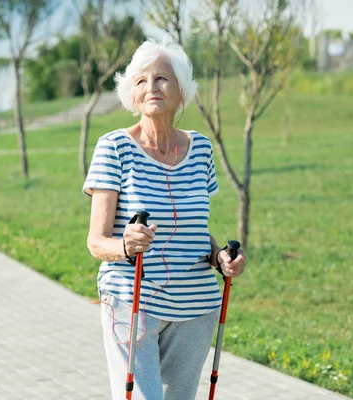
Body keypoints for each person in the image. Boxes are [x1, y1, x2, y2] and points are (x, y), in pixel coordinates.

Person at [82, 37, 247, 400]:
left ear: (182, 92)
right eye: (140, 80)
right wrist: (126, 245)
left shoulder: (200, 148)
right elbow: (97, 241)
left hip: (196, 306)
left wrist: (221, 257)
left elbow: (194, 232)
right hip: (132, 300)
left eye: (162, 79)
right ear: (131, 94)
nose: (151, 87)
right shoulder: (114, 148)